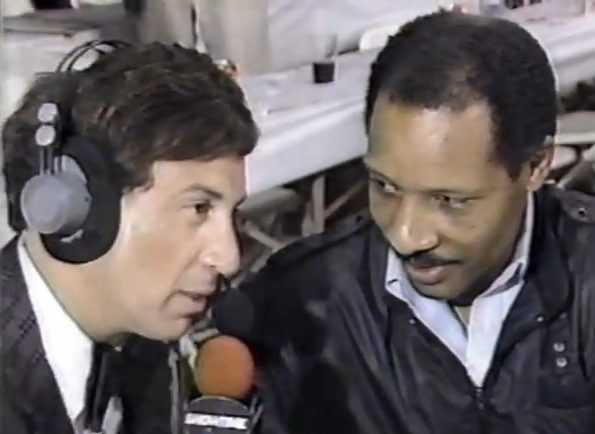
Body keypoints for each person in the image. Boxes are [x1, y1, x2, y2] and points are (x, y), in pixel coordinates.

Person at [241, 11, 595, 434]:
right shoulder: (301, 306)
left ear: (536, 166)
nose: (407, 235)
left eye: (449, 200)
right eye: (385, 187)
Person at [0, 42, 258, 434]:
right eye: (199, 208)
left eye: (232, 215)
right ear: (86, 207)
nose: (229, 258)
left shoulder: (146, 347)